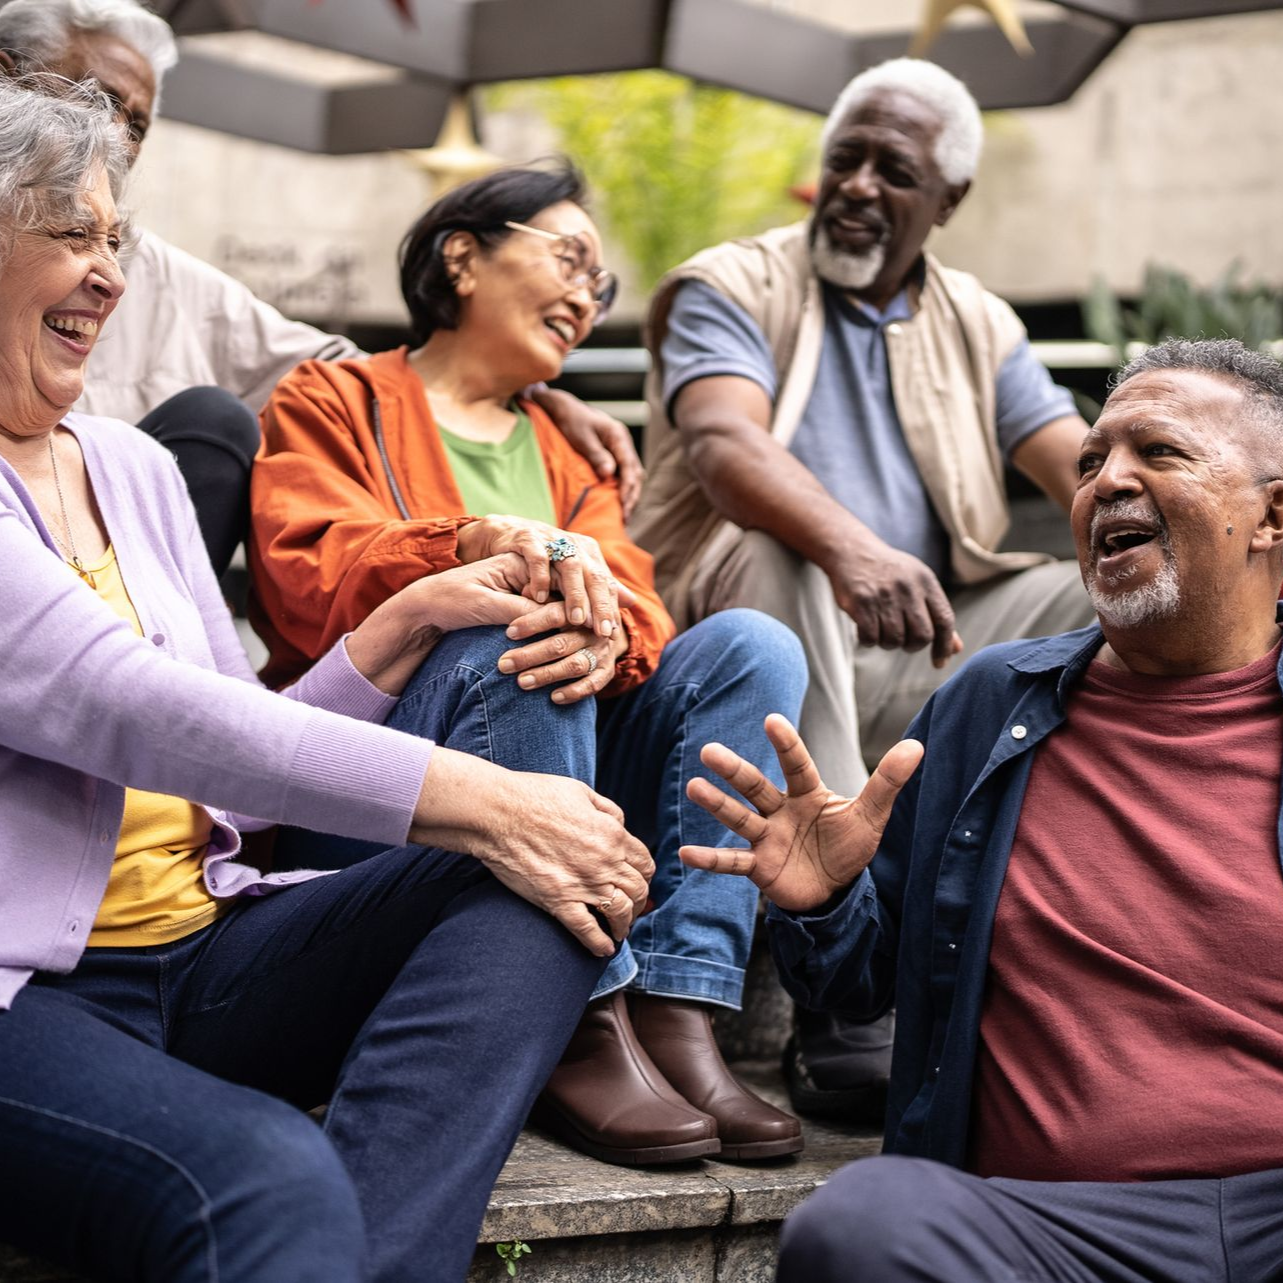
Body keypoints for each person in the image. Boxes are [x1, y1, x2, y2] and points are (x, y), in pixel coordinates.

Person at [0, 75, 658, 1283]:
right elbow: (130, 706)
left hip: (203, 953)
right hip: (28, 1000)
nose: (110, 273)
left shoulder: (131, 467)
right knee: (261, 1172)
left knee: (551, 889)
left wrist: (401, 624)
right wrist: (494, 800)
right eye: (73, 234)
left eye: (117, 238)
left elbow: (235, 757)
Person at [682, 337, 1283, 1281]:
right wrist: (822, 899)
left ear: (1271, 514)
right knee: (863, 1222)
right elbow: (854, 983)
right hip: (1039, 1226)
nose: (1103, 483)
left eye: (1156, 453)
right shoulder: (988, 702)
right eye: (1089, 462)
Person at [249, 162, 808, 1166]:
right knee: (502, 622)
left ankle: (678, 1002)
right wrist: (472, 548)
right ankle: (582, 1015)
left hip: (560, 746)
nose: (587, 298)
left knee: (748, 643)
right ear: (462, 254)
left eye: (600, 288)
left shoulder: (570, 450)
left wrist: (601, 625)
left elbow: (637, 601)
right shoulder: (331, 398)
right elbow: (306, 576)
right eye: (570, 258)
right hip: (380, 785)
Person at [629, 55, 1096, 1118]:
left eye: (893, 171)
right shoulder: (729, 283)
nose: (856, 187)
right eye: (844, 159)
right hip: (741, 636)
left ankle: (1077, 895)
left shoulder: (981, 321)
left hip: (916, 640)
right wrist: (849, 545)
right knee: (783, 550)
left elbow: (1080, 466)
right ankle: (841, 967)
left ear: (949, 201)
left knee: (1104, 592)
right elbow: (718, 443)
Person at [0, 0, 645, 578]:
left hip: (112, 606)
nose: (109, 137)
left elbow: (353, 381)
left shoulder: (164, 280)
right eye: (85, 99)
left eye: (133, 123)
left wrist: (527, 391)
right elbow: (325, 573)